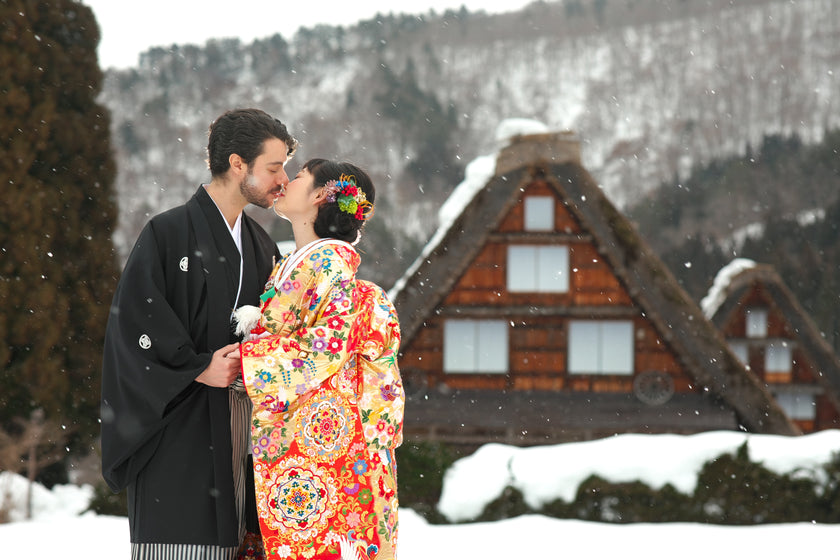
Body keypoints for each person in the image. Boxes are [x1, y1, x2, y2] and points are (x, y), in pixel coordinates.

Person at [101, 108, 298, 560]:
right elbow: (133, 329)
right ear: (237, 164)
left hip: (242, 429)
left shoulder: (261, 244)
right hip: (179, 429)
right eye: (273, 167)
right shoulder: (167, 234)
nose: (282, 178)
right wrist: (196, 367)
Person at [232, 159, 404, 559]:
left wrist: (247, 361)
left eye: (299, 176)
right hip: (308, 439)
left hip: (322, 445)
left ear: (320, 197)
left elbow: (322, 349)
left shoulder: (328, 266)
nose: (286, 182)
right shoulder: (301, 262)